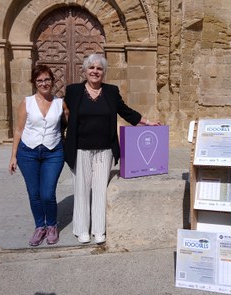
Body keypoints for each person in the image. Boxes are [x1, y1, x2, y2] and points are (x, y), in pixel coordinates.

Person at [63, 53, 160, 245]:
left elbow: (125, 111)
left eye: (99, 69)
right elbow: (61, 113)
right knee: (81, 189)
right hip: (80, 148)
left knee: (100, 190)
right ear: (84, 70)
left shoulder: (111, 91)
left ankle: (99, 230)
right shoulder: (73, 91)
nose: (95, 71)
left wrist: (147, 122)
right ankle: (82, 229)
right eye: (91, 68)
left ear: (104, 72)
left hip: (105, 150)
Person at [9, 65, 67, 247]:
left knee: (47, 193)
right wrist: (13, 156)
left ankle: (51, 226)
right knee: (34, 193)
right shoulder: (27, 102)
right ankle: (39, 226)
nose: (44, 83)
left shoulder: (60, 104)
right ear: (34, 83)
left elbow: (68, 125)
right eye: (40, 80)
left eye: (47, 79)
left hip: (53, 153)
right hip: (28, 153)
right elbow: (18, 130)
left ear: (52, 81)